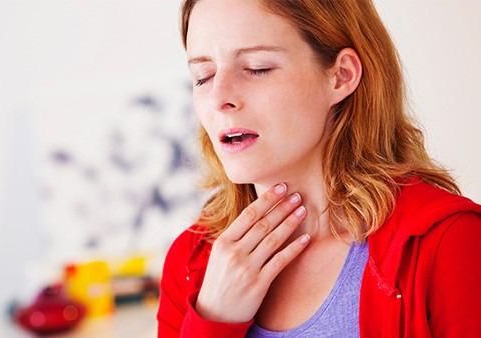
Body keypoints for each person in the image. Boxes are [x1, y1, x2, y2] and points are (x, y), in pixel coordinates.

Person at [157, 0, 481, 337]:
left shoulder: (450, 244)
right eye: (203, 76)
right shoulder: (189, 263)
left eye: (256, 68)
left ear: (341, 76)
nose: (219, 97)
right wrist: (212, 320)